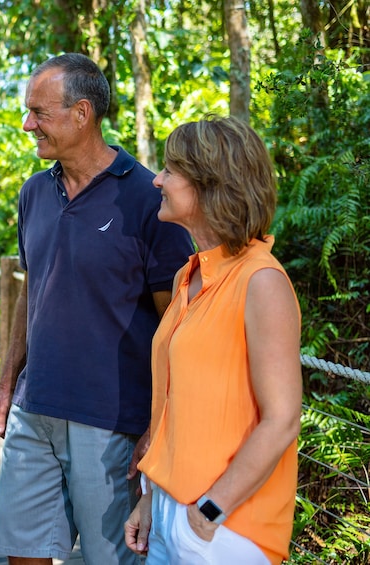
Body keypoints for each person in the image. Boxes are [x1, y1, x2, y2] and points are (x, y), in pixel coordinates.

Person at [0, 52, 195, 564]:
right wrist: (8, 380)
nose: (27, 124)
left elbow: (179, 322)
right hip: (34, 410)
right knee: (22, 553)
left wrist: (161, 422)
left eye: (38, 112)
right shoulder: (33, 192)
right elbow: (35, 290)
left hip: (111, 421)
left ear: (82, 114)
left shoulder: (149, 199)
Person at [124, 116, 302, 564]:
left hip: (223, 527)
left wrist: (207, 513)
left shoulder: (261, 281)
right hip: (170, 512)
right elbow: (177, 407)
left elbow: (282, 420)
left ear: (208, 184)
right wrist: (151, 498)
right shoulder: (189, 273)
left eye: (169, 170)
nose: (158, 180)